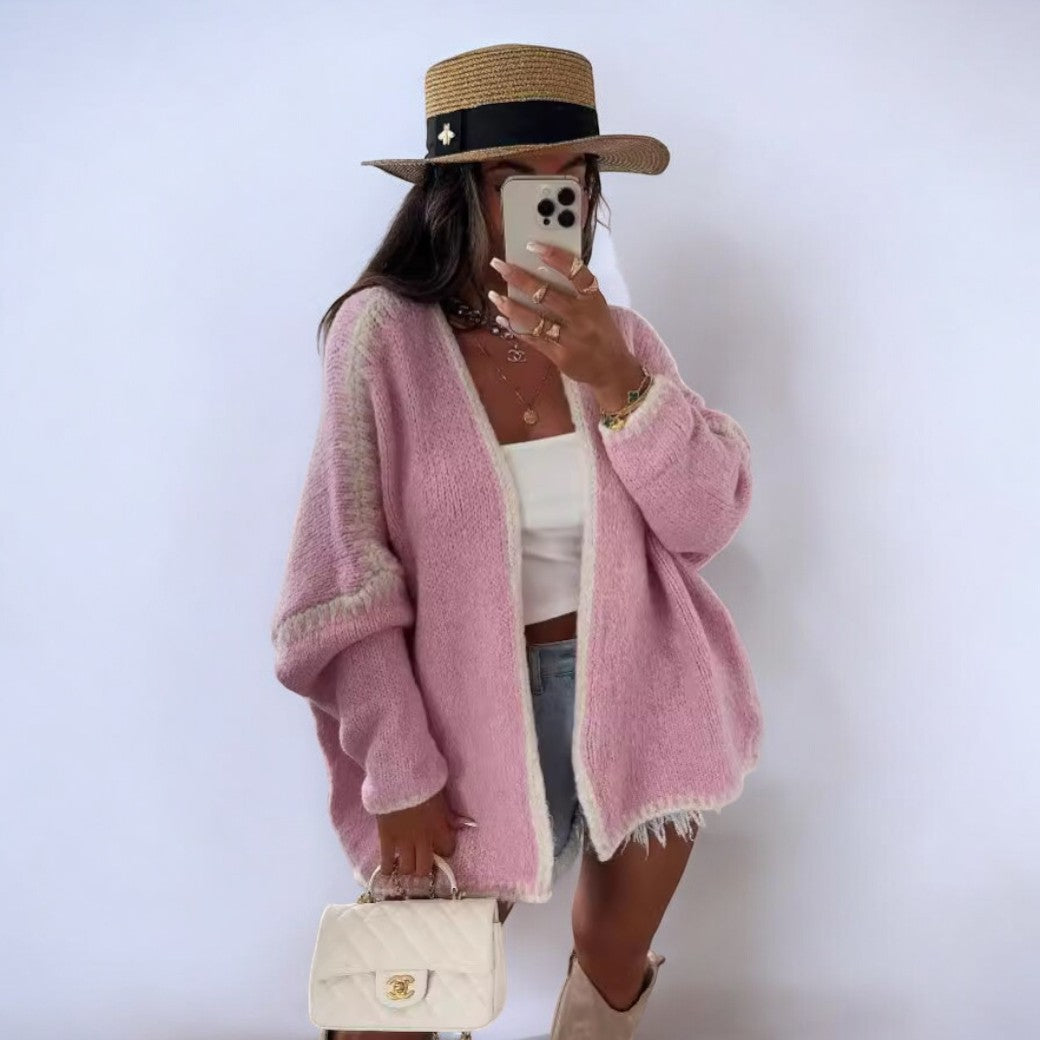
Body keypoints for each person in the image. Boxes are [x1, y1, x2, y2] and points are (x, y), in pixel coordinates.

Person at [270, 43, 763, 1040]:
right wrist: (398, 769)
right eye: (516, 180)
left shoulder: (618, 338)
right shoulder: (381, 337)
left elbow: (704, 521)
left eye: (570, 178)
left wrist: (617, 379)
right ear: (456, 193)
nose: (554, 202)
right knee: (399, 997)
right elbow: (343, 578)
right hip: (462, 719)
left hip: (646, 696)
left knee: (611, 962)